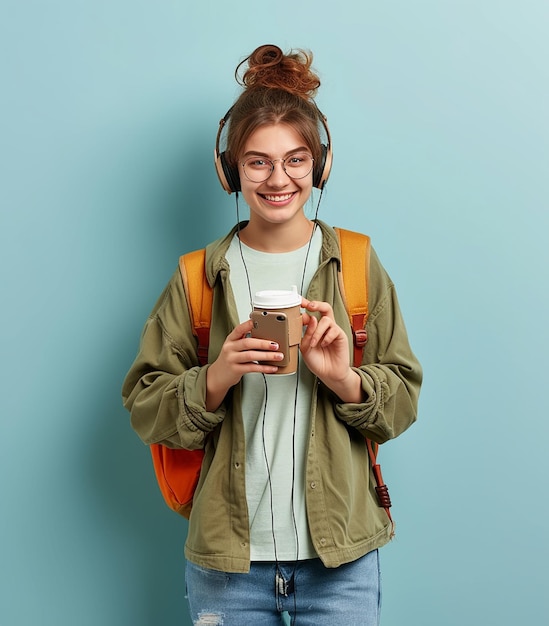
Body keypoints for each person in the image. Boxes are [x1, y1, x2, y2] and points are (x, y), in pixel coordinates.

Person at [122, 44, 422, 626]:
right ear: (230, 169)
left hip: (341, 562)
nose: (278, 178)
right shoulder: (197, 276)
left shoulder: (356, 264)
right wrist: (217, 375)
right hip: (228, 565)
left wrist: (344, 379)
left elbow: (403, 397)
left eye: (296, 160)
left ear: (321, 165)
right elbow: (144, 405)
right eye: (257, 161)